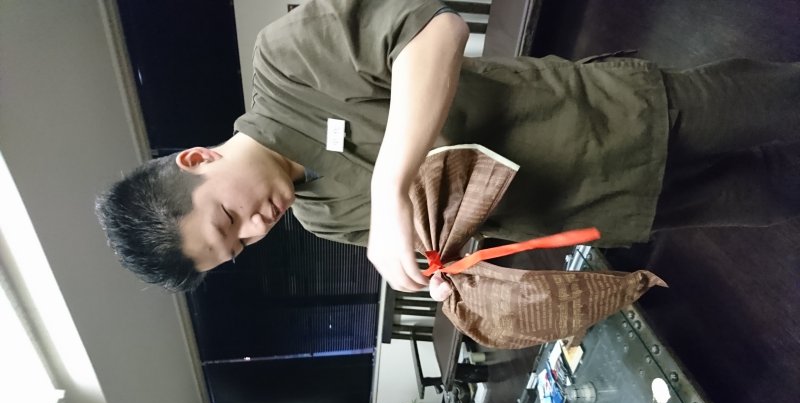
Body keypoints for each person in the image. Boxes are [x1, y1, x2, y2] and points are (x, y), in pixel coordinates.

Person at [96, 0, 800, 294]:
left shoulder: (286, 63)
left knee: (781, 102)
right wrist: (441, 272)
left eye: (228, 218)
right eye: (240, 246)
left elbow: (435, 30)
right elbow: (453, 224)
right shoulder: (321, 218)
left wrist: (390, 184)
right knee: (774, 196)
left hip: (614, 118)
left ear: (198, 160)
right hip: (607, 206)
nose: (256, 229)